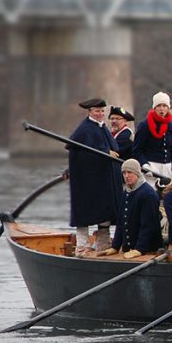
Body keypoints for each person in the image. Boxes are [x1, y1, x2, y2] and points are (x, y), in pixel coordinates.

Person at [68, 97, 121, 256]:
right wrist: (105, 153)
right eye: (97, 111)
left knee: (104, 212)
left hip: (102, 180)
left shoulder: (102, 127)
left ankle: (102, 245)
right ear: (90, 112)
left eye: (102, 111)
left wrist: (108, 152)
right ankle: (82, 246)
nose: (100, 114)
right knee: (85, 214)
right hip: (88, 181)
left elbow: (112, 148)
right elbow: (81, 152)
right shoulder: (85, 129)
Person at [100, 159, 163, 259]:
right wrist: (115, 246)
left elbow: (148, 226)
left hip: (148, 251)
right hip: (129, 250)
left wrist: (139, 249)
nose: (126, 176)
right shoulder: (126, 192)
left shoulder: (148, 195)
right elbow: (121, 222)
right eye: (124, 173)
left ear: (137, 173)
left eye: (130, 172)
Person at [133, 91, 172, 188]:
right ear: (154, 108)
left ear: (168, 108)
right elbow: (137, 149)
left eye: (164, 106)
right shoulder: (145, 125)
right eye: (159, 106)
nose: (162, 109)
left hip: (168, 167)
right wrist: (145, 165)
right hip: (151, 167)